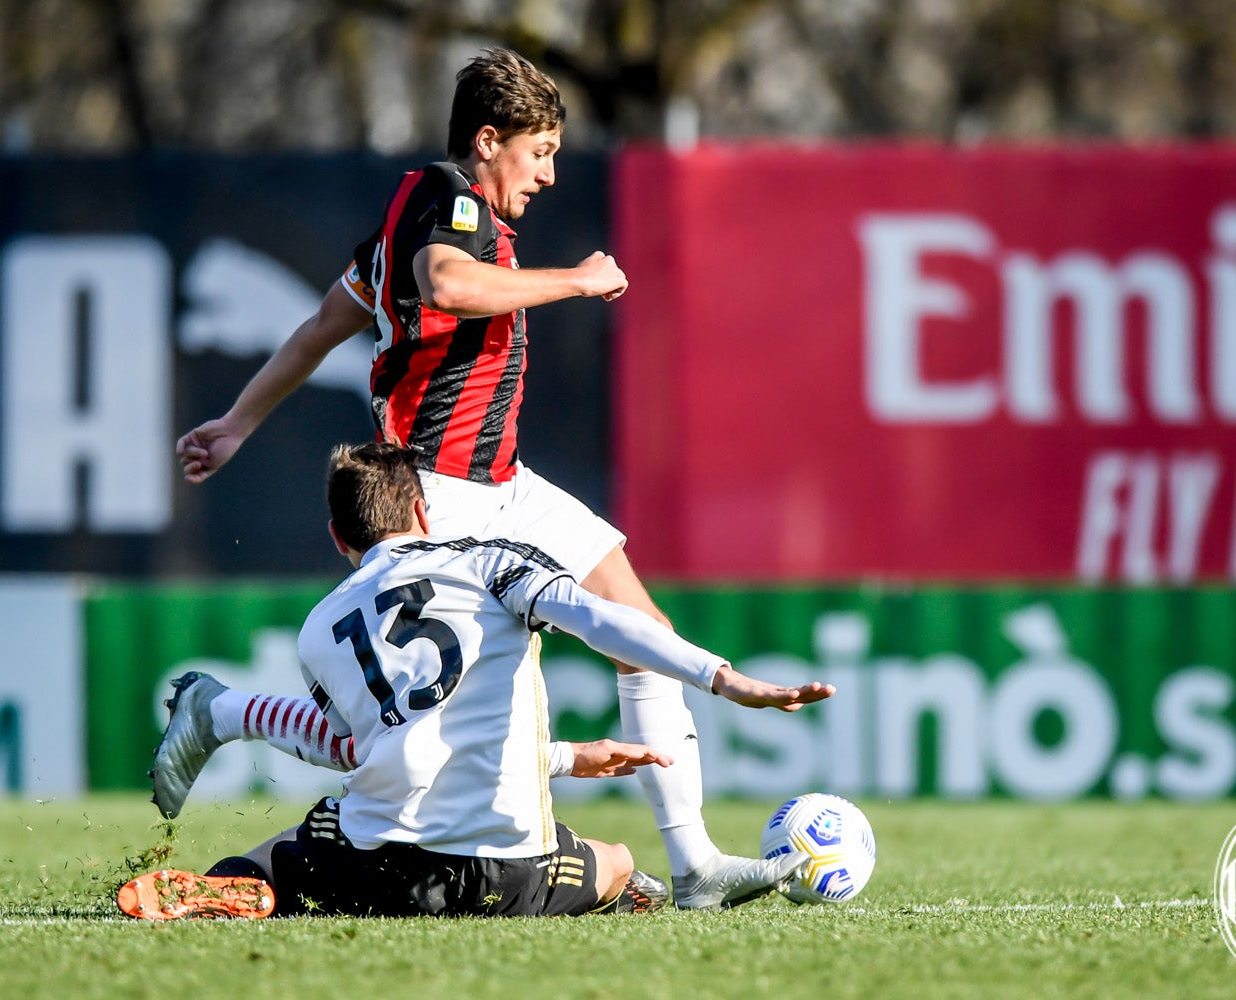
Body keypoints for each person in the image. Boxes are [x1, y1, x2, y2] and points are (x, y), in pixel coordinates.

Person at [173, 47, 819, 909]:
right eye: (540, 151)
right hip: (442, 494)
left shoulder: (421, 228)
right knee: (420, 719)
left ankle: (696, 863)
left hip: (504, 480)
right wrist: (578, 282)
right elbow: (446, 282)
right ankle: (239, 734)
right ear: (488, 141)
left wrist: (237, 423)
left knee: (639, 625)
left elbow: (320, 328)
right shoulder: (445, 201)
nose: (550, 174)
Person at [121, 443, 834, 920]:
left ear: (340, 539)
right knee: (615, 863)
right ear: (425, 512)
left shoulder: (321, 628)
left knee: (282, 852)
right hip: (506, 878)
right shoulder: (493, 564)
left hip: (380, 871)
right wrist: (721, 676)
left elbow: (354, 749)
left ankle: (237, 873)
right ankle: (613, 887)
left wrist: (563, 756)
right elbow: (604, 620)